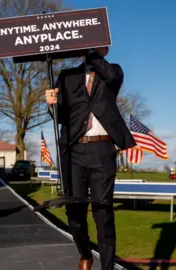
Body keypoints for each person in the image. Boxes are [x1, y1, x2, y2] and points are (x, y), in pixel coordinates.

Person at [45, 47, 135, 270]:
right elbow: (61, 117)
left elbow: (112, 76)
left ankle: (107, 267)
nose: (97, 49)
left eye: (101, 46)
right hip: (75, 151)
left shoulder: (112, 72)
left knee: (103, 213)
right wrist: (51, 103)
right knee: (74, 212)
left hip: (103, 150)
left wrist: (93, 54)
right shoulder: (67, 76)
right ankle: (85, 253)